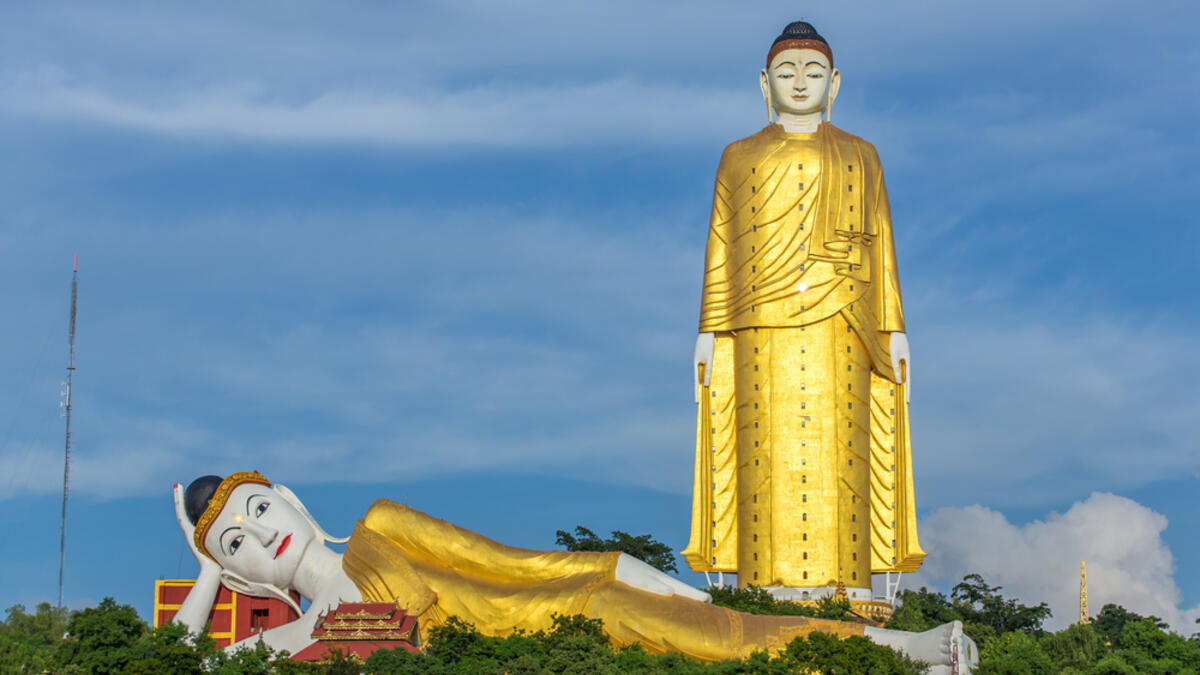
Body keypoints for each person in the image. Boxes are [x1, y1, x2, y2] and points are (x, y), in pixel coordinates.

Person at [171, 472, 975, 672]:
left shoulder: (380, 527)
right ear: (239, 577)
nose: (256, 534)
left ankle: (905, 647)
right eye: (235, 543)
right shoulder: (299, 640)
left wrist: (665, 582)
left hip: (580, 607)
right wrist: (203, 570)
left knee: (735, 638)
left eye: (257, 510)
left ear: (289, 500)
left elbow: (510, 562)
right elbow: (181, 661)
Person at [682, 21, 924, 603]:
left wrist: (895, 328)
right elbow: (721, 245)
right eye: (787, 72)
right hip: (757, 327)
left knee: (845, 453)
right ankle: (761, 592)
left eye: (813, 72)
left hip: (843, 321)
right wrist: (709, 331)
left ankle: (848, 590)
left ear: (834, 83)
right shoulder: (738, 155)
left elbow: (883, 245)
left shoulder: (861, 155)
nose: (799, 83)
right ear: (764, 82)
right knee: (760, 451)